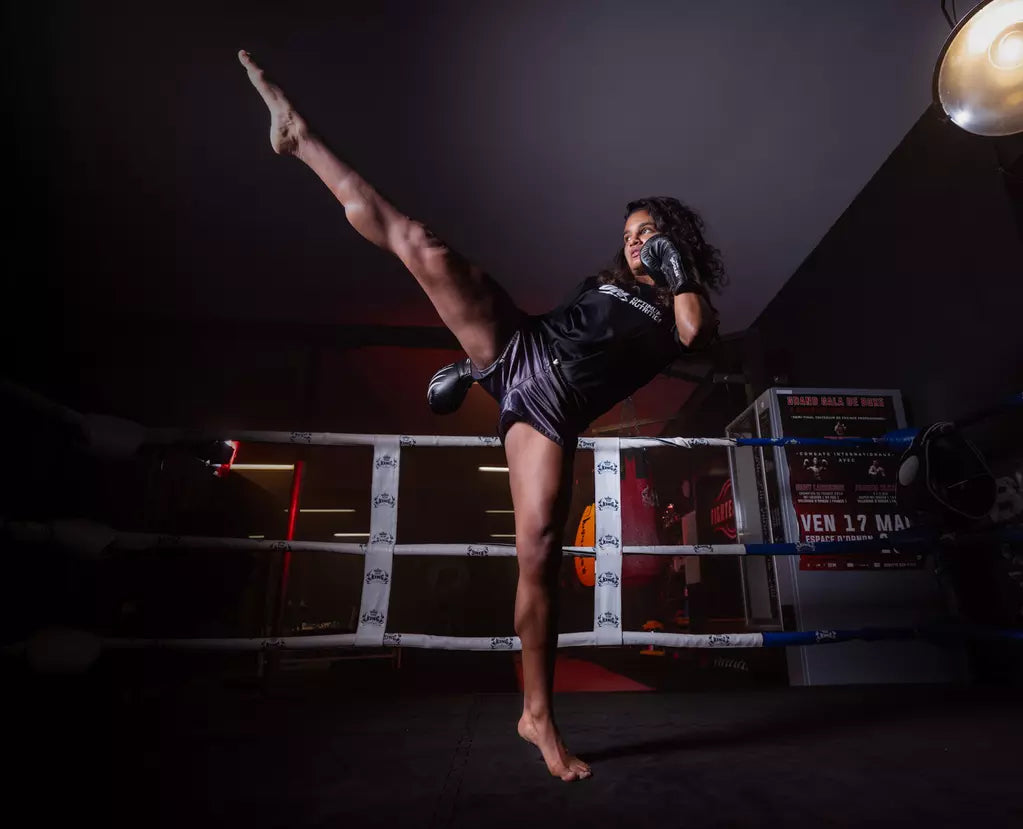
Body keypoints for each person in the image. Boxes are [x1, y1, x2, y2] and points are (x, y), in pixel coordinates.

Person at [238, 50, 725, 781]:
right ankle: (299, 136)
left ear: (669, 238)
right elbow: (565, 328)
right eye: (627, 230)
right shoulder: (604, 283)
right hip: (521, 347)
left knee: (537, 554)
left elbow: (697, 334)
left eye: (645, 229)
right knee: (424, 245)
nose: (632, 239)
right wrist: (475, 366)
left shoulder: (676, 307)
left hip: (551, 409)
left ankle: (537, 716)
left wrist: (672, 262)